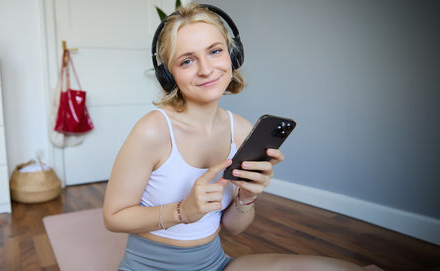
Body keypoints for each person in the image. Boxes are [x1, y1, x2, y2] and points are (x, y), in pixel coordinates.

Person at [103, 3, 364, 271]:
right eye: (187, 60)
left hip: (214, 264)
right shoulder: (153, 130)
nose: (206, 69)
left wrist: (247, 196)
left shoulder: (240, 130)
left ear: (232, 55)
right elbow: (113, 218)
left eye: (215, 51)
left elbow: (233, 228)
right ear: (168, 76)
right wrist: (182, 211)